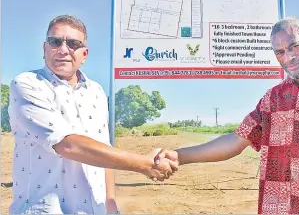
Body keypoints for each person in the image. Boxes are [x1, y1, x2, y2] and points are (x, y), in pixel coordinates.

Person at [155, 17, 299, 214]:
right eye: (279, 52)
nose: (287, 57)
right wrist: (179, 155)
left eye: (293, 46)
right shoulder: (273, 98)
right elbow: (236, 140)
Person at [8, 14, 177, 214]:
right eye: (55, 41)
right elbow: (67, 145)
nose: (63, 50)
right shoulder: (28, 84)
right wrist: (144, 164)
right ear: (44, 48)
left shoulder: (96, 91)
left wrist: (110, 202)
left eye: (73, 43)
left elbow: (103, 149)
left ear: (84, 54)